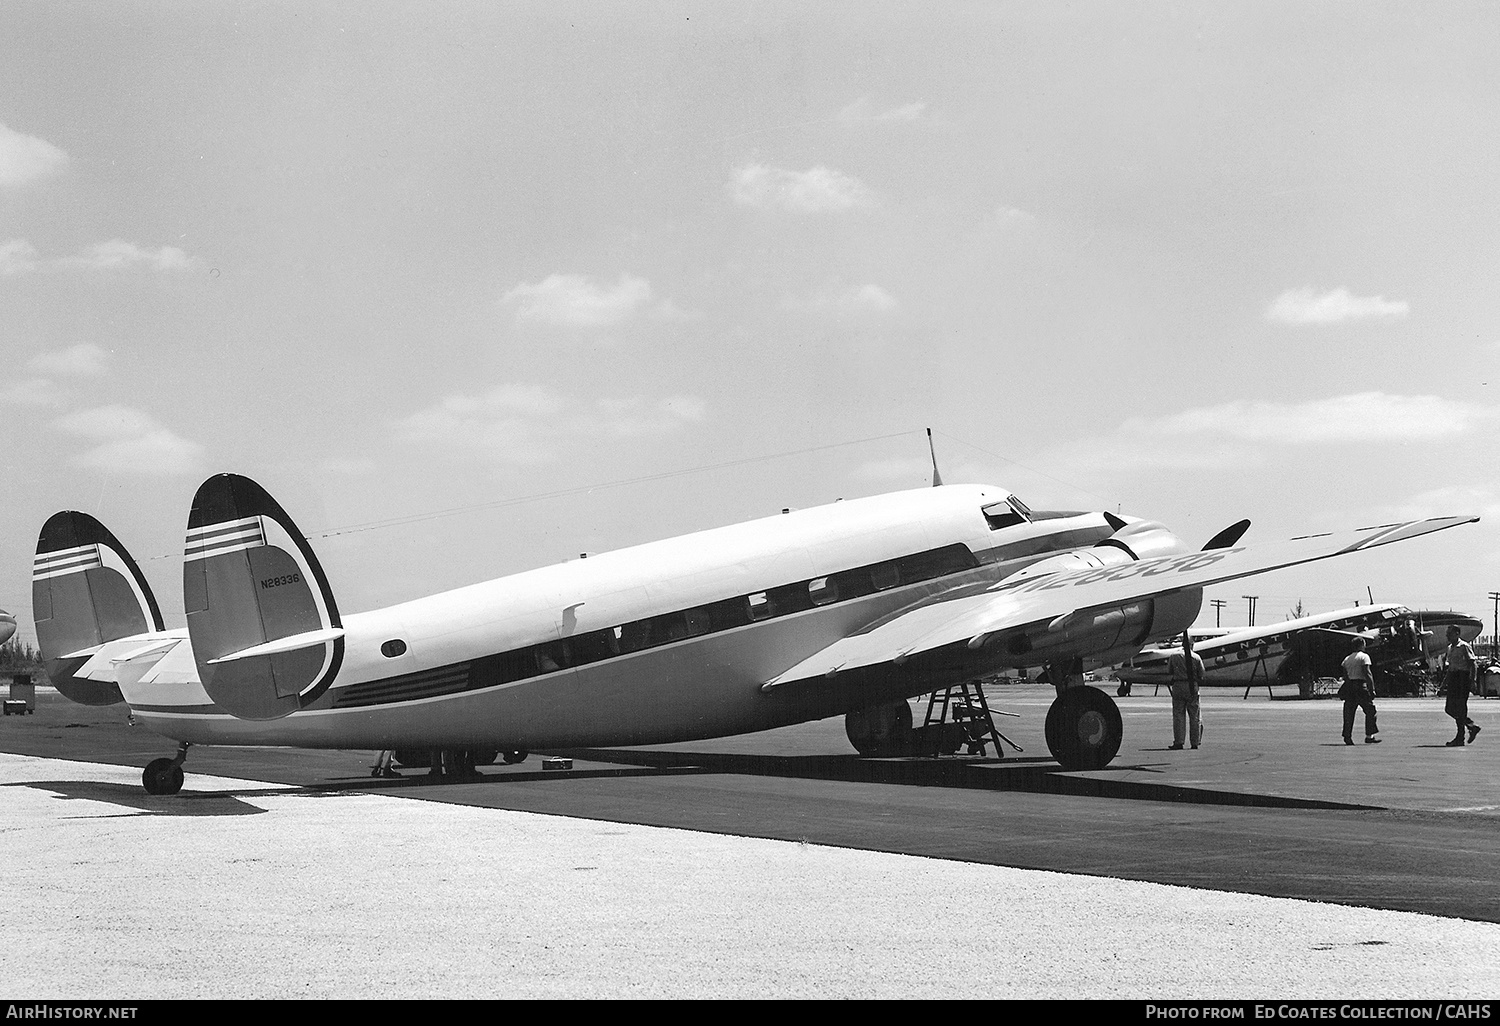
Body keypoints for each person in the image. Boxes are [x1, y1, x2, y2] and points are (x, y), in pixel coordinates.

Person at [1442, 625, 1481, 747]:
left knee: (1460, 708)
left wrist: (1473, 681)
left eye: (1450, 633)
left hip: (1462, 679)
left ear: (1457, 634)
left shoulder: (1464, 646)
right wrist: (1443, 684)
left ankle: (1460, 738)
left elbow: (1473, 664)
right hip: (1453, 678)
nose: (1447, 636)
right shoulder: (1450, 648)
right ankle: (1471, 726)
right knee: (1449, 708)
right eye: (1447, 634)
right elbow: (1450, 668)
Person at [1338, 637, 1380, 745]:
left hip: (1350, 686)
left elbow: (1345, 676)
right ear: (1361, 645)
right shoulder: (1364, 657)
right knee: (1370, 711)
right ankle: (1369, 736)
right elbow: (1367, 673)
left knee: (1349, 713)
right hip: (1361, 686)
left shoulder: (1347, 659)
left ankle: (1347, 736)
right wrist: (1372, 689)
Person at [1166, 633, 1204, 750]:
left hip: (1178, 685)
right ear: (1192, 644)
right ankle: (1195, 742)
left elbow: (1169, 671)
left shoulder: (1174, 656)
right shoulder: (1196, 657)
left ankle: (1179, 741)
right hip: (1191, 686)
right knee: (1194, 715)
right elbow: (1201, 674)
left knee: (1178, 714)